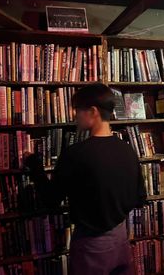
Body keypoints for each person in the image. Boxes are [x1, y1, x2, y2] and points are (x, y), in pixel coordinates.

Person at [25, 83, 147, 275]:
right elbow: (140, 198)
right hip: (121, 238)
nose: (75, 115)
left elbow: (50, 200)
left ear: (93, 111)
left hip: (92, 244)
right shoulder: (128, 150)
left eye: (78, 110)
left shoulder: (75, 154)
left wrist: (33, 164)